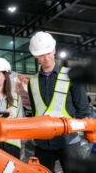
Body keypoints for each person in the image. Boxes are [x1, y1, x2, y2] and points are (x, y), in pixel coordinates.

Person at [27, 31, 91, 172]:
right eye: (41, 55)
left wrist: (80, 135)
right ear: (36, 56)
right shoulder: (32, 82)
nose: (46, 58)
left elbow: (83, 110)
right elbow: (35, 112)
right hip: (43, 144)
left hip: (69, 142)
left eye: (48, 52)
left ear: (54, 50)